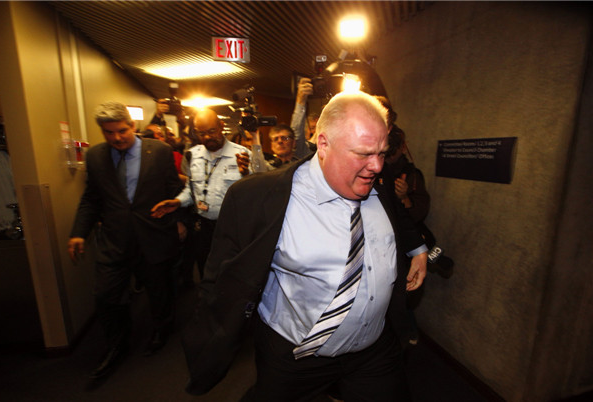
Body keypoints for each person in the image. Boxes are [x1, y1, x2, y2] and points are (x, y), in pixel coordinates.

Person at [180, 91, 428, 401]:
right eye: (364, 153)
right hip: (295, 355)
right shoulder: (258, 197)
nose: (377, 165)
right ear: (323, 144)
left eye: (382, 152)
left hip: (374, 348)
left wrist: (416, 248)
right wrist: (207, 341)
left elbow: (398, 215)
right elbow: (221, 277)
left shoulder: (378, 178)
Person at [67, 102, 183, 379]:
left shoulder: (160, 152)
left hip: (153, 235)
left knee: (159, 290)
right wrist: (78, 232)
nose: (117, 138)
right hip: (114, 240)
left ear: (133, 126)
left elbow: (175, 190)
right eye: (109, 133)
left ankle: (160, 329)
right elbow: (91, 199)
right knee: (106, 295)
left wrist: (179, 219)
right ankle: (117, 344)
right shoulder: (95, 157)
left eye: (122, 131)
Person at [150, 108, 251, 281]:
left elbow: (253, 194)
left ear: (221, 126)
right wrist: (177, 202)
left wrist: (247, 175)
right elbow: (192, 189)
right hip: (202, 227)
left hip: (232, 229)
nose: (207, 137)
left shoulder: (242, 155)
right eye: (201, 133)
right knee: (205, 272)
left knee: (231, 275)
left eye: (212, 131)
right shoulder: (192, 155)